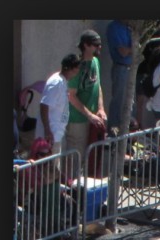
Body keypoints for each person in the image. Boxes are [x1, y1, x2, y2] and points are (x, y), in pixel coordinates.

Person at [66, 30, 107, 178]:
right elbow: (71, 95)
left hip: (92, 118)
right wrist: (89, 115)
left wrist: (101, 109)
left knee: (89, 158)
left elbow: (98, 86)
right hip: (78, 119)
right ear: (86, 45)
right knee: (75, 159)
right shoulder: (77, 67)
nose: (99, 48)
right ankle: (72, 192)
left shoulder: (95, 62)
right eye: (96, 45)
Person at [41, 53, 82, 157]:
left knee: (55, 166)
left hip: (57, 134)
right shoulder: (56, 82)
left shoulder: (63, 81)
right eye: (77, 68)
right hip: (51, 135)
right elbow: (44, 105)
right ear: (72, 69)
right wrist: (47, 129)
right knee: (50, 168)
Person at [106, 20, 133, 129]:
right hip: (121, 67)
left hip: (130, 68)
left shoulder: (128, 28)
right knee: (119, 101)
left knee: (130, 102)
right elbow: (123, 52)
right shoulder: (114, 27)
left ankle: (127, 133)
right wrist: (134, 49)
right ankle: (114, 132)